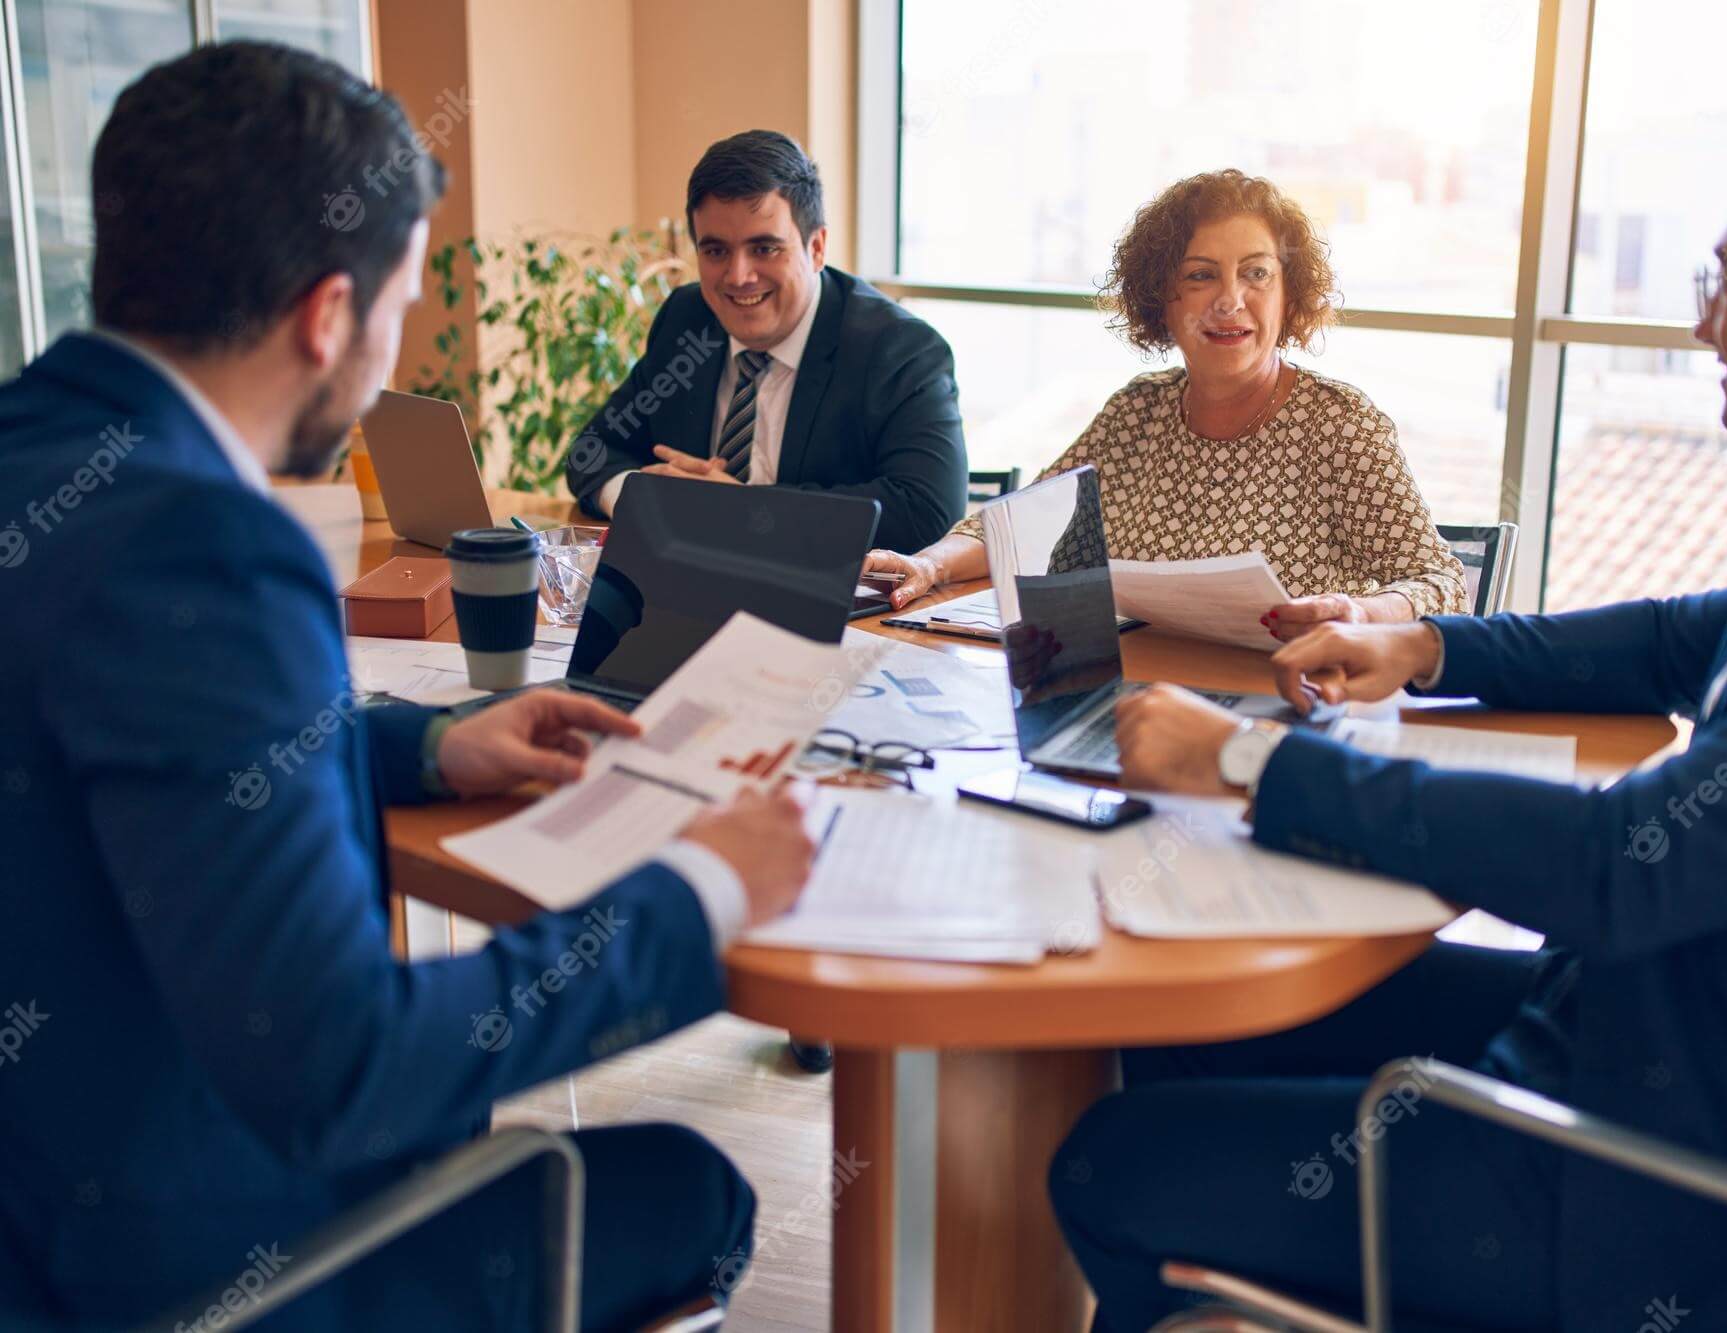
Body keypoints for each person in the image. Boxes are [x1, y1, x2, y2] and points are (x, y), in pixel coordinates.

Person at [1052, 108, 1727, 1330]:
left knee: (1107, 1160)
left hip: (1663, 1190)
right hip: (1642, 1037)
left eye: (1723, 279)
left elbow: (1618, 863)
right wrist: (1423, 642)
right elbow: (1667, 637)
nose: (1699, 318)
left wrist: (1240, 757)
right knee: (1184, 1019)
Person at [0, 44, 815, 1330]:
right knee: (688, 1191)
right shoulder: (209, 545)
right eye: (396, 309)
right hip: (164, 1267)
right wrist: (705, 889)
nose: (388, 354)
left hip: (46, 1168)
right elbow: (344, 1066)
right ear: (328, 315)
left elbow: (126, 757)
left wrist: (432, 747)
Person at [862, 169, 1468, 634]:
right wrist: (931, 566)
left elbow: (1442, 583)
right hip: (1131, 698)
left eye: (1256, 274)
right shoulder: (1137, 413)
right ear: (1163, 299)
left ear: (1290, 295)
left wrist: (1360, 613)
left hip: (1278, 711)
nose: (1230, 301)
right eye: (1201, 275)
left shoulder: (1339, 425)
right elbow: (1017, 526)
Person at [562, 129, 968, 554]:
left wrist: (744, 513)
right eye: (716, 251)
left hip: (825, 606)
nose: (738, 277)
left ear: (816, 247)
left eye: (764, 249)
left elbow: (928, 511)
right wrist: (645, 499)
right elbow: (590, 452)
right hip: (685, 588)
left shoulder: (898, 348)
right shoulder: (689, 321)